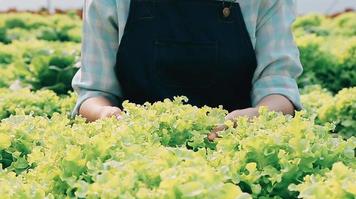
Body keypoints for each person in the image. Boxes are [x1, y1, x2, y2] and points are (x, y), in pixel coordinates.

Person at [71, 0, 303, 128]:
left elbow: (278, 89)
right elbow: (94, 92)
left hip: (235, 167)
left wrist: (255, 117)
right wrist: (104, 114)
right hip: (133, 163)